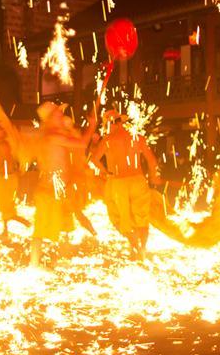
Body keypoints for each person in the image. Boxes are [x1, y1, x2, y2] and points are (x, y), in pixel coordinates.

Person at [30, 102, 96, 268]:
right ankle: (34, 265)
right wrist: (92, 125)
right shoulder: (53, 136)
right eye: (58, 114)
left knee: (64, 226)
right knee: (42, 230)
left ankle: (58, 260)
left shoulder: (49, 134)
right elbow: (81, 144)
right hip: (50, 191)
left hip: (59, 189)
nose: (61, 116)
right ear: (51, 119)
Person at [90, 110, 163, 260]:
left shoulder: (108, 140)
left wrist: (105, 173)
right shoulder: (137, 137)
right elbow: (152, 161)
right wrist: (155, 177)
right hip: (138, 180)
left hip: (118, 183)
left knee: (120, 219)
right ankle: (141, 249)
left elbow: (94, 160)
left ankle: (134, 244)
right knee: (141, 219)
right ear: (120, 122)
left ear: (109, 124)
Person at [0, 123, 29, 238]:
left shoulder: (4, 145)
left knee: (5, 206)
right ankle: (6, 231)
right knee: (3, 205)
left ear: (3, 132)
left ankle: (24, 223)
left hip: (7, 178)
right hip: (5, 177)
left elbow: (7, 161)